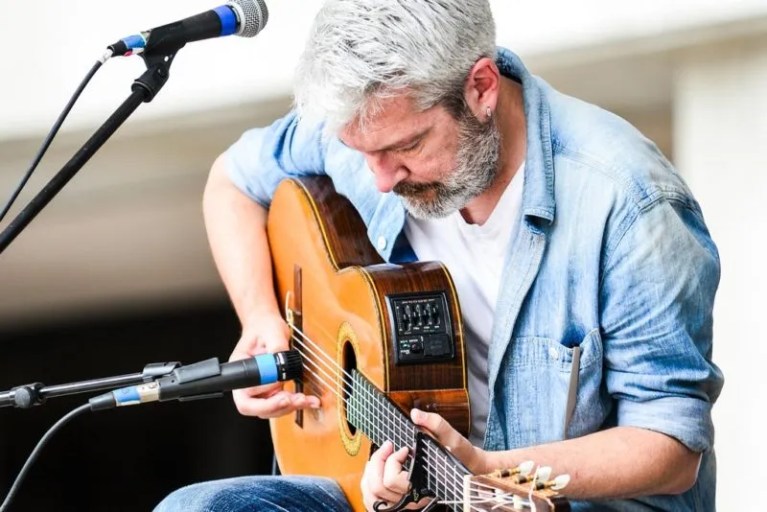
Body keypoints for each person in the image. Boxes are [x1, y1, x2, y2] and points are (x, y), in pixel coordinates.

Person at [155, 0, 723, 510]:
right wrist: (261, 319)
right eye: (361, 151)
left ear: (481, 87)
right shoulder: (370, 121)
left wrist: (487, 472)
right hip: (400, 484)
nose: (379, 179)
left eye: (407, 146)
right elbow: (231, 183)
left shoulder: (630, 202)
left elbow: (670, 448)